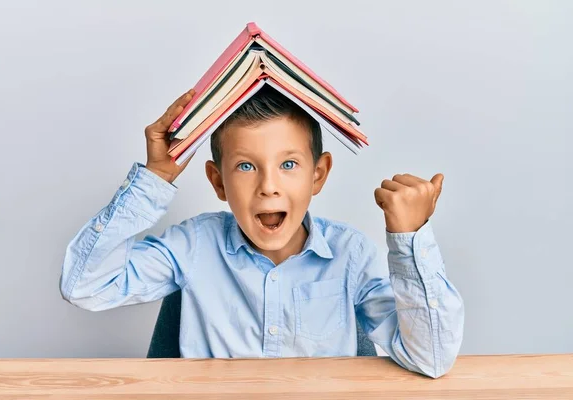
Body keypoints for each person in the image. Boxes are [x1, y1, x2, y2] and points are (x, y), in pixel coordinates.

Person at [60, 85, 464, 378]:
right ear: (218, 182)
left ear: (318, 175)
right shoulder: (195, 246)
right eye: (246, 166)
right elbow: (85, 286)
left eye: (288, 165)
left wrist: (409, 239)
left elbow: (430, 358)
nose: (268, 186)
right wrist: (156, 177)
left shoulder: (350, 255)